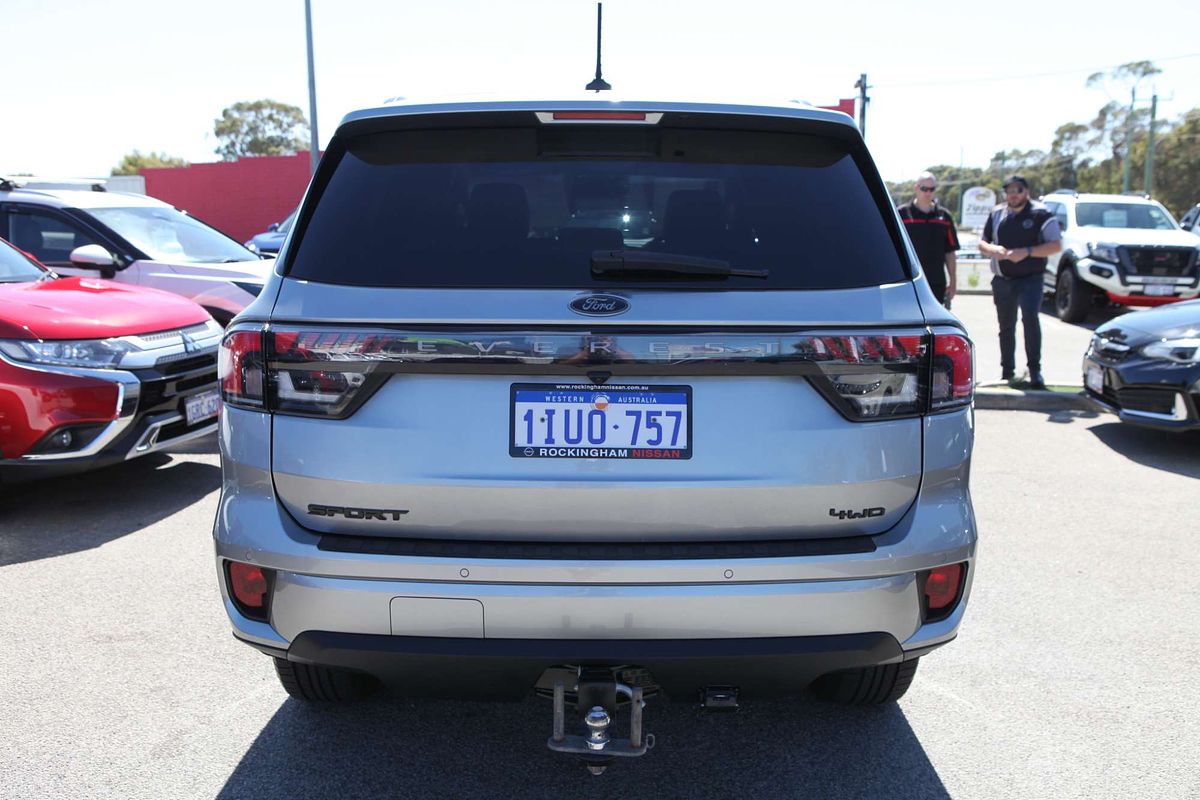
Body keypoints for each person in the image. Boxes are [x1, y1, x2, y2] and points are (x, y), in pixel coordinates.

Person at [978, 175, 1062, 389]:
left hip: (1030, 279)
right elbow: (983, 243)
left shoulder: (1041, 213)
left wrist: (1027, 252)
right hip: (1003, 280)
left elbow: (1055, 245)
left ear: (1027, 192)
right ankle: (1008, 371)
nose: (1013, 194)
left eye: (1018, 190)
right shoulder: (997, 213)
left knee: (1030, 321)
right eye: (1009, 190)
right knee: (1006, 326)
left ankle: (1035, 371)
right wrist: (993, 250)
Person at [897, 171, 959, 307]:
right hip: (908, 282)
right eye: (924, 188)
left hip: (936, 282)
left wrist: (953, 280)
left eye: (932, 189)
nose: (928, 193)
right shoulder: (901, 214)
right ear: (916, 188)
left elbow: (950, 251)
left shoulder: (944, 216)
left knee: (934, 325)